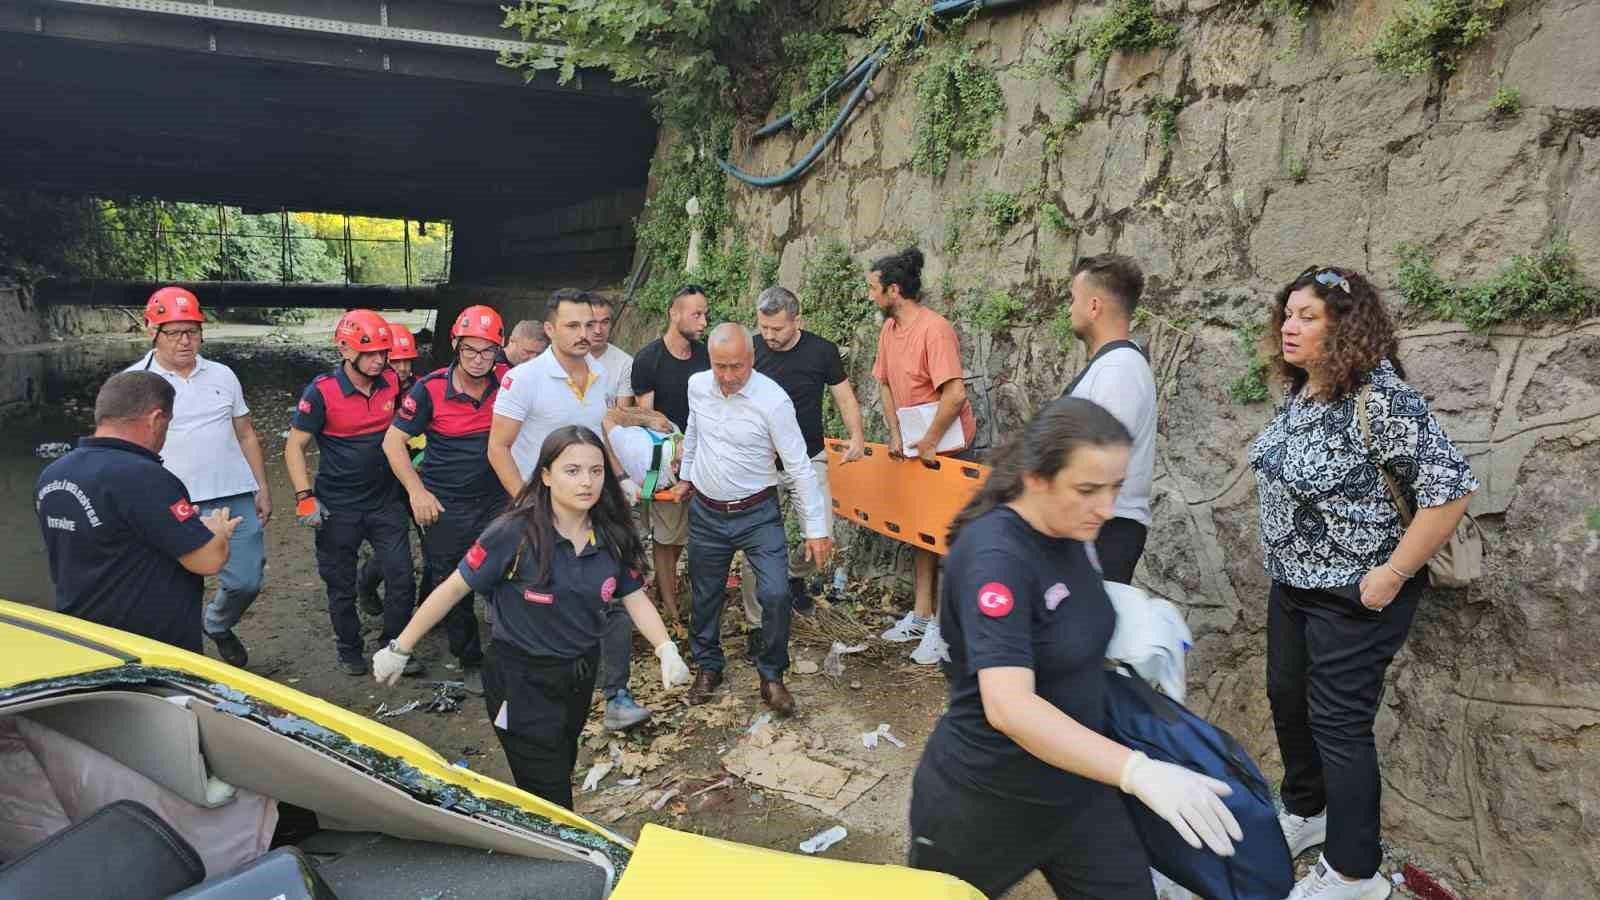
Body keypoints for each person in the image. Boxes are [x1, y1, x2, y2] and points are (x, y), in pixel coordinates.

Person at [908, 397, 1240, 899]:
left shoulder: (1069, 527)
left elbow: (1056, 622)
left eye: (1115, 488)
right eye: (1088, 489)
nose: (1106, 508)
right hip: (984, 800)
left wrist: (1134, 627)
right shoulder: (996, 555)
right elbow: (1009, 705)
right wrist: (1137, 771)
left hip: (1077, 790)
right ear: (1037, 478)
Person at [1250, 266, 1477, 900]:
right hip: (1293, 584)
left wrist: (1392, 575)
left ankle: (1355, 871)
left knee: (1338, 724)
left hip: (1358, 594)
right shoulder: (1304, 391)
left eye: (1308, 317)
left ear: (1344, 328)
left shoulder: (1382, 399)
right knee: (1286, 697)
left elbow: (1449, 491)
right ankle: (1306, 811)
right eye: (1288, 313)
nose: (1290, 326)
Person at [371, 426, 692, 810]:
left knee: (562, 759)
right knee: (549, 787)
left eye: (595, 471)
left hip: (578, 672)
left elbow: (633, 596)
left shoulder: (611, 534)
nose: (586, 482)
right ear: (545, 475)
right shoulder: (514, 534)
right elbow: (454, 588)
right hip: (520, 679)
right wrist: (400, 646)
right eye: (572, 471)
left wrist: (665, 648)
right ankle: (559, 852)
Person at [490, 289, 672, 730]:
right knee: (534, 597)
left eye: (589, 325)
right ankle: (524, 697)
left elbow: (600, 434)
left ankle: (617, 696)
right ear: (550, 329)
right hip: (541, 509)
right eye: (572, 326)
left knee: (611, 595)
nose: (585, 334)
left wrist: (621, 483)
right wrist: (524, 508)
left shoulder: (598, 373)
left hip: (595, 506)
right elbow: (498, 448)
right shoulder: (526, 380)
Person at [669, 323, 832, 717]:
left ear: (752, 359)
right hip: (707, 512)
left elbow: (799, 467)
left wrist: (816, 530)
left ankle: (772, 675)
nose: (727, 377)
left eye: (736, 367)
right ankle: (708, 667)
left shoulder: (773, 400)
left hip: (758, 513)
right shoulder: (697, 386)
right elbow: (693, 432)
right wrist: (687, 475)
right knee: (706, 595)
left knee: (775, 593)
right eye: (719, 366)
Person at [35, 371, 240, 652]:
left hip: (83, 640)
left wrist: (175, 524)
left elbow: (110, 536)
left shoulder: (53, 474)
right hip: (150, 648)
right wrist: (217, 531)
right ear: (156, 419)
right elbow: (207, 560)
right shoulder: (145, 477)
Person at [124, 287, 270, 667]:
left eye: (193, 330)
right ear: (151, 331)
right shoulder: (133, 384)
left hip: (233, 493)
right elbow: (121, 450)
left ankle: (218, 624)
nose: (186, 340)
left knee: (246, 581)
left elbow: (246, 434)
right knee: (176, 590)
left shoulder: (222, 374)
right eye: (174, 332)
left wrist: (262, 487)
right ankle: (188, 665)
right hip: (171, 501)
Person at [383, 304, 510, 696]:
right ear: (455, 345)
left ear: (499, 351)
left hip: (496, 499)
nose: (478, 359)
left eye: (487, 351)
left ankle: (512, 653)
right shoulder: (431, 389)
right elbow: (393, 442)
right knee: (451, 581)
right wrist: (417, 492)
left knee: (510, 573)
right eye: (470, 350)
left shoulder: (508, 381)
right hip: (446, 503)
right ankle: (469, 659)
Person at [285, 310, 419, 677]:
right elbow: (294, 447)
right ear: (346, 350)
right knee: (339, 584)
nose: (380, 360)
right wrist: (304, 496)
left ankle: (393, 645)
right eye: (372, 353)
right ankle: (349, 647)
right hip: (338, 506)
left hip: (385, 500)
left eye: (384, 352)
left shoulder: (393, 381)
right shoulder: (322, 392)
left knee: (402, 577)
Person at [740, 285, 866, 649]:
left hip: (808, 458)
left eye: (777, 328)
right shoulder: (751, 350)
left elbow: (844, 396)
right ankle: (757, 626)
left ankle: (792, 576)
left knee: (822, 535)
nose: (769, 336)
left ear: (798, 320)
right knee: (756, 546)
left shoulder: (821, 351)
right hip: (760, 462)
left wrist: (856, 436)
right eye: (764, 327)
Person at [868, 247, 975, 665]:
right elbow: (885, 384)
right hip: (914, 443)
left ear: (894, 290)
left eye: (875, 289)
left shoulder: (935, 330)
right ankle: (920, 614)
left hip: (945, 446)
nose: (871, 297)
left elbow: (955, 394)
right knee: (919, 532)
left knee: (948, 536)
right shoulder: (888, 331)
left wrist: (928, 441)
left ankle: (944, 630)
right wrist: (897, 434)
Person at [1059, 255, 1158, 584]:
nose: (1068, 309)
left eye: (1073, 299)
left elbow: (1100, 460)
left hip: (1104, 532)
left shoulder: (1119, 370)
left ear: (1094, 306)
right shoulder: (1113, 365)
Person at [629, 285, 710, 626]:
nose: (704, 320)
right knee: (666, 536)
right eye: (697, 314)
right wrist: (674, 450)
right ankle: (669, 607)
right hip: (665, 462)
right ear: (674, 314)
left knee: (680, 536)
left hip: (703, 460)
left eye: (705, 313)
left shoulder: (706, 357)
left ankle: (666, 593)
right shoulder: (649, 359)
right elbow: (647, 418)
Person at [584, 291, 635, 409]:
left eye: (604, 322)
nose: (598, 330)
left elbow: (621, 414)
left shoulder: (625, 363)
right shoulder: (564, 358)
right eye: (591, 323)